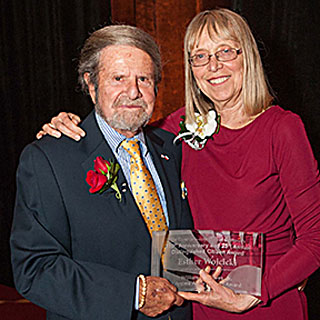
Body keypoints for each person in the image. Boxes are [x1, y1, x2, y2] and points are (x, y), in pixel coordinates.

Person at [39, 8, 320, 320]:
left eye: (225, 51)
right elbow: (121, 130)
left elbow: (314, 239)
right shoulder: (182, 126)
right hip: (200, 306)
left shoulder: (282, 128)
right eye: (200, 56)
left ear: (248, 57)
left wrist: (256, 295)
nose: (214, 66)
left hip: (263, 306)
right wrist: (68, 126)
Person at [10, 25, 194, 320]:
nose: (133, 91)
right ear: (91, 84)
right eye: (118, 78)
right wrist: (133, 294)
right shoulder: (48, 160)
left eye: (143, 79)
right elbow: (35, 269)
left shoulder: (173, 151)